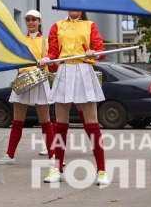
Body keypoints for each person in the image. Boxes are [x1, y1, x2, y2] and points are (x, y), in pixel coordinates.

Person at [41, 10, 110, 186]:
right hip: (64, 72)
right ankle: (58, 168)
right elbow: (54, 52)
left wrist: (94, 52)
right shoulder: (57, 26)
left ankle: (101, 170)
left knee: (92, 124)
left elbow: (101, 51)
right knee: (60, 124)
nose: (74, 7)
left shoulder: (90, 25)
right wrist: (46, 58)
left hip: (84, 71)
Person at [0, 10, 54, 165]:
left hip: (40, 80)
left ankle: (53, 156)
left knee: (45, 121)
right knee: (17, 121)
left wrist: (46, 60)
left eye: (34, 19)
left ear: (40, 21)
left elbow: (54, 61)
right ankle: (10, 155)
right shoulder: (20, 40)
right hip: (23, 79)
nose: (31, 23)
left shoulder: (46, 42)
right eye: (28, 20)